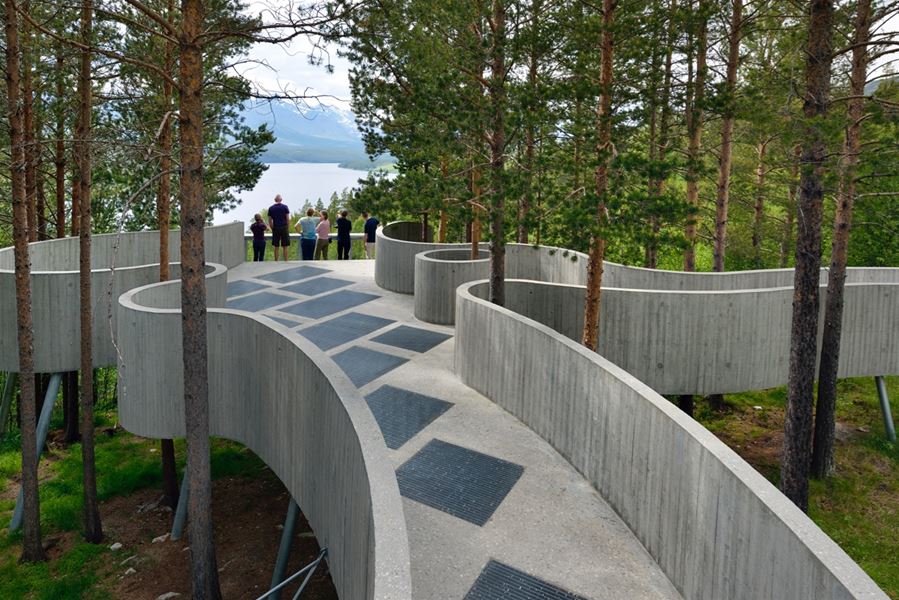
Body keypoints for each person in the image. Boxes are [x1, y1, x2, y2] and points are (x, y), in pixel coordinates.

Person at [267, 194, 291, 261]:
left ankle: (276, 261)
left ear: (275, 200)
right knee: (285, 246)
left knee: (276, 246)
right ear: (281, 200)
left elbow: (270, 220)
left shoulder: (271, 208)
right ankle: (286, 261)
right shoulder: (285, 207)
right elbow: (287, 218)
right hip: (284, 227)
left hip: (276, 228)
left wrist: (272, 228)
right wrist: (287, 228)